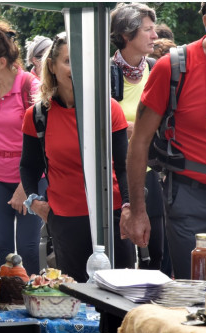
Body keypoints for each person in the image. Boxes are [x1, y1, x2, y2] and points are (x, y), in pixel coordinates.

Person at [121, 2, 206, 280]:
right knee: (195, 293)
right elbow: (139, 144)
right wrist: (138, 212)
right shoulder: (173, 69)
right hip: (189, 200)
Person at [20, 32, 135, 283]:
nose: (78, 68)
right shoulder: (38, 115)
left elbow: (124, 166)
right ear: (52, 66)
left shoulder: (108, 108)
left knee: (119, 297)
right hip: (65, 221)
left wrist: (128, 206)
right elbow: (29, 166)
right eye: (69, 61)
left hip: (111, 218)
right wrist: (35, 202)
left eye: (83, 61)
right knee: (77, 299)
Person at [0, 22, 42, 273]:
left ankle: (34, 302)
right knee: (2, 248)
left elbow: (44, 141)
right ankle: (8, 300)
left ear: (1, 62)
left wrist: (26, 187)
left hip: (30, 176)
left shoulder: (30, 86)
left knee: (28, 249)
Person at [110, 2, 166, 272]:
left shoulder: (155, 69)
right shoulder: (104, 74)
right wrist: (122, 128)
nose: (155, 36)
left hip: (151, 172)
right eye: (147, 30)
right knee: (120, 258)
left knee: (157, 254)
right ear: (125, 35)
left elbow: (168, 122)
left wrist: (143, 129)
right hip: (115, 175)